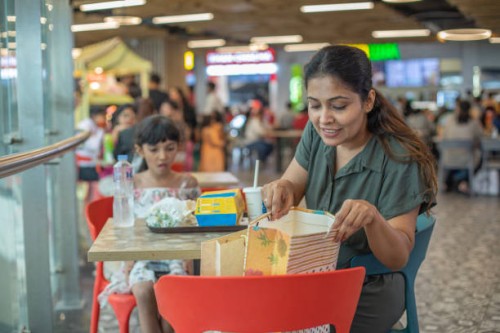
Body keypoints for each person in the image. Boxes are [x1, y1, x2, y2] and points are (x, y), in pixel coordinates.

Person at [262, 45, 437, 333]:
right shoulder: (316, 134)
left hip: (369, 286)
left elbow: (398, 256)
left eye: (339, 106)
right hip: (316, 276)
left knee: (285, 323)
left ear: (368, 100)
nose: (324, 118)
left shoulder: (399, 158)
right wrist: (282, 188)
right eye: (315, 105)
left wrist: (372, 218)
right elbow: (292, 184)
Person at [101, 115, 200, 333]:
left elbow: (194, 225)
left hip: (177, 258)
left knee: (171, 299)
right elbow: (125, 226)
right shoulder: (132, 182)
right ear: (140, 150)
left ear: (179, 147)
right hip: (141, 259)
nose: (162, 156)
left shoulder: (187, 183)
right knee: (144, 291)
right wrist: (127, 261)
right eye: (154, 149)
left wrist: (189, 259)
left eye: (170, 148)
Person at [441, 100, 483, 194]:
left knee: (457, 158)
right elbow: (479, 137)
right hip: (466, 159)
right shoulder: (473, 123)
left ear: (457, 109)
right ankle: (464, 182)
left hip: (448, 158)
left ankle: (448, 182)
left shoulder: (449, 121)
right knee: (479, 157)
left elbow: (444, 136)